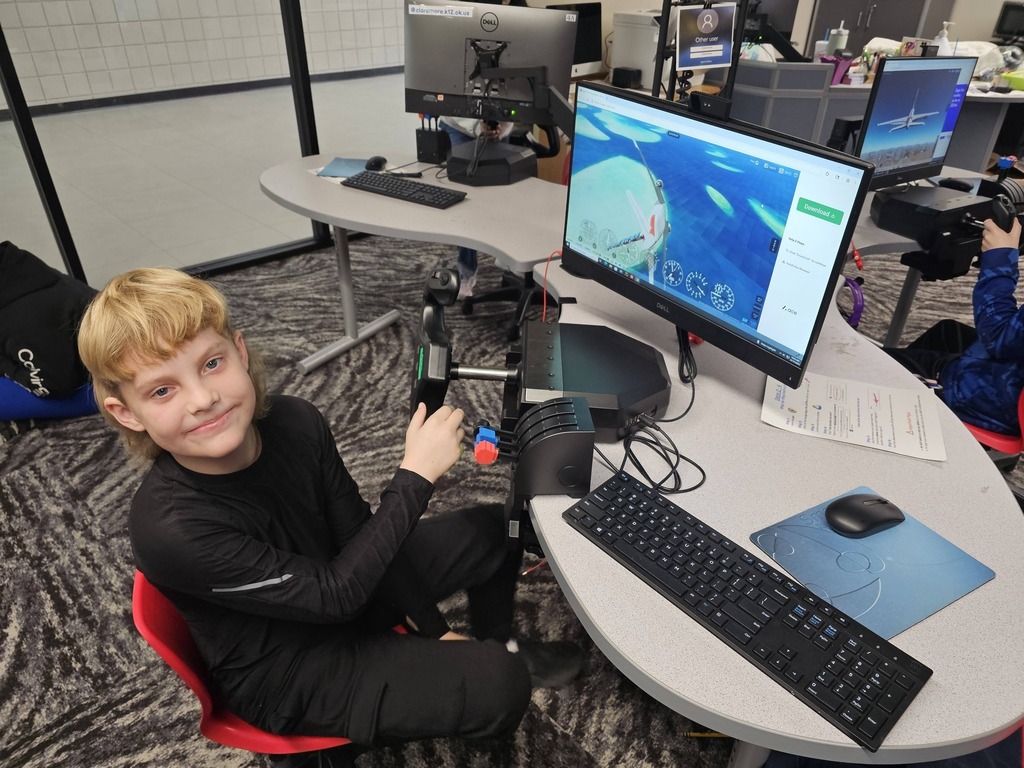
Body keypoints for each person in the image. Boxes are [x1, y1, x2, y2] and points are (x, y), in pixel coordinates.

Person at [76, 268, 582, 763]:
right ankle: (324, 752)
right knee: (500, 683)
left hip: (341, 581)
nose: (203, 399)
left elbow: (358, 533)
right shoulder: (170, 528)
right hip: (287, 670)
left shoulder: (296, 420)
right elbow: (336, 598)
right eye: (162, 390)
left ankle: (501, 639)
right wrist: (415, 478)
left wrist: (435, 630)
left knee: (493, 530)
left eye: (211, 363)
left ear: (240, 351)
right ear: (127, 413)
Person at [883, 216, 1024, 435]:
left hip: (992, 398)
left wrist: (1000, 257)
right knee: (947, 333)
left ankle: (900, 415)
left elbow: (997, 336)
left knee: (872, 365)